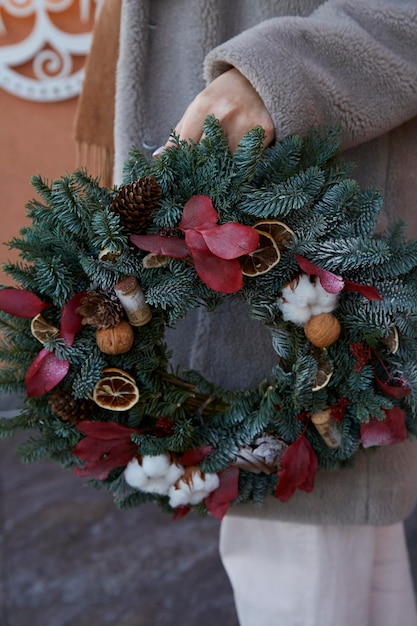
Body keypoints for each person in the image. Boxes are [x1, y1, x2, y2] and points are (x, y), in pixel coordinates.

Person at [75, 1, 417, 624]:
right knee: (354, 579)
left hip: (320, 217)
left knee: (307, 569)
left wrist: (276, 79)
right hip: (189, 271)